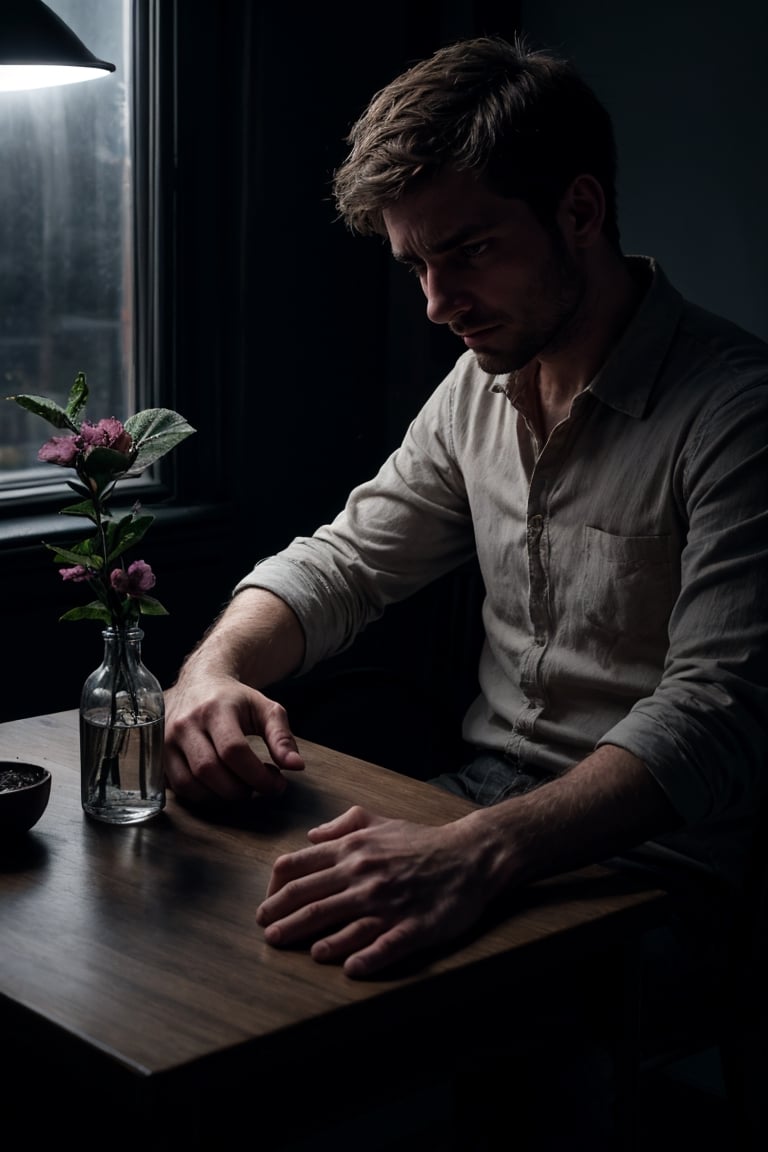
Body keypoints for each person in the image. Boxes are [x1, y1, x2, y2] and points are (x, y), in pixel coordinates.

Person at [164, 33, 768, 1144]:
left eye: (472, 251)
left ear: (580, 211)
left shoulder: (738, 414)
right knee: (223, 951)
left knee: (426, 1051)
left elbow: (718, 714)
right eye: (415, 266)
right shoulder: (475, 389)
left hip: (678, 866)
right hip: (473, 799)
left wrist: (479, 851)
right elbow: (348, 558)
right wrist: (211, 674)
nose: (439, 301)